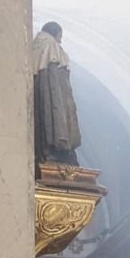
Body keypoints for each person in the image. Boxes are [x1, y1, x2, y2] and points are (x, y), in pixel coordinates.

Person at [32, 21, 82, 166]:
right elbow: (55, 94)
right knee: (54, 118)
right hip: (53, 97)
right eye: (60, 36)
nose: (60, 40)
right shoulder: (52, 47)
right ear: (55, 33)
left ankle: (46, 149)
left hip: (39, 99)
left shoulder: (35, 47)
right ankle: (56, 149)